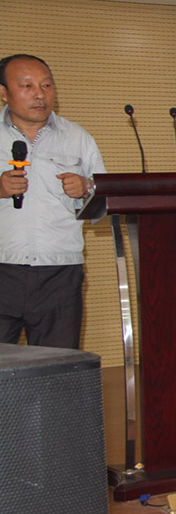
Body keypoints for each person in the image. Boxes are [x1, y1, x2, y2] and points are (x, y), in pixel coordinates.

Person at [0, 54, 106, 348]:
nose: (40, 94)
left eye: (46, 85)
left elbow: (104, 201)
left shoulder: (78, 137)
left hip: (60, 273)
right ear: (4, 93)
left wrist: (86, 187)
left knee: (59, 366)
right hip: (2, 266)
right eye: (27, 86)